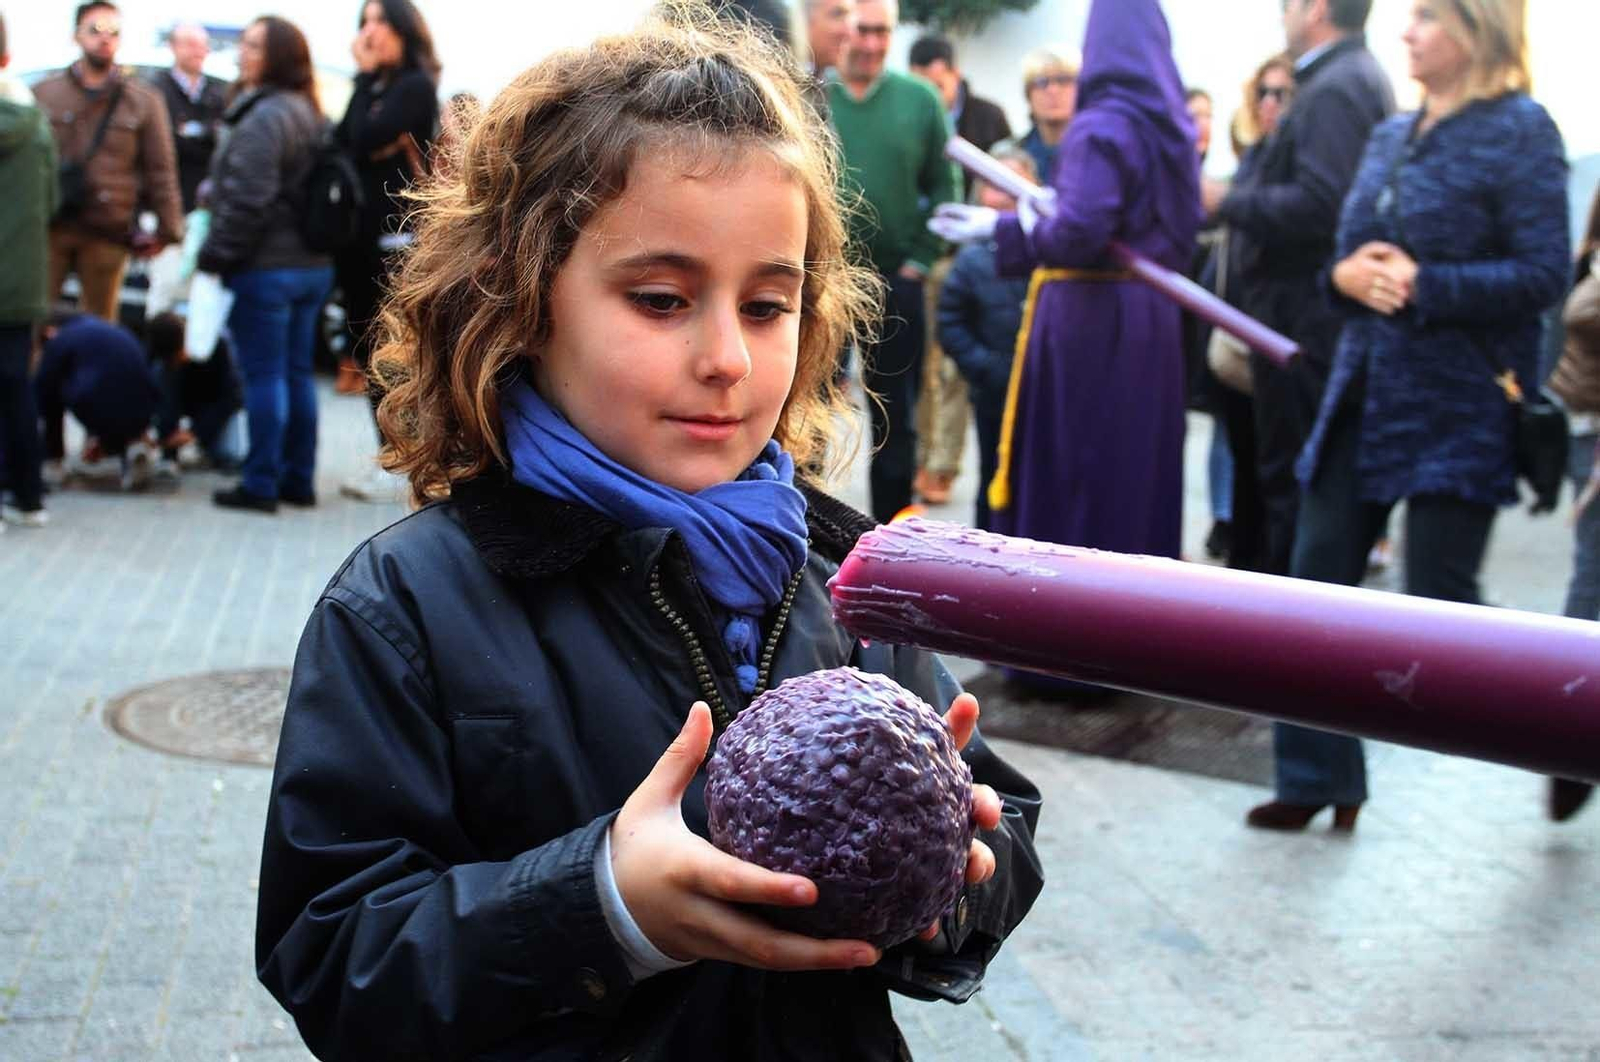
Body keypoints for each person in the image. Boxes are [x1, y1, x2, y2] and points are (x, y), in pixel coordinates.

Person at [255, 11, 1043, 1060]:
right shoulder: (407, 607)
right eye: (663, 299)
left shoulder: (842, 582)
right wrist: (604, 909)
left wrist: (945, 875)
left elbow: (1006, 820)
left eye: (768, 306)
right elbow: (335, 949)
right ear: (524, 299)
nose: (726, 357)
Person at [1247, 0, 1570, 833]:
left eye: (1429, 15)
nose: (1408, 29)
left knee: (1442, 606)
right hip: (1362, 392)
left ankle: (1573, 722)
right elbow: (1343, 264)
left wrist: (1427, 284)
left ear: (1479, 28)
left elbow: (1542, 275)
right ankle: (1319, 775)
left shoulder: (1520, 128)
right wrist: (1346, 277)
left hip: (1457, 402)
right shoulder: (1393, 133)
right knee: (1314, 589)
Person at [931, 0, 1200, 692]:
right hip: (1149, 322)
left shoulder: (1103, 124)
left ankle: (1069, 658)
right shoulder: (1168, 127)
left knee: (1079, 469)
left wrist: (1005, 233)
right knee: (1133, 475)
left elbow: (1079, 229)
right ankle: (1135, 647)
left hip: (1090, 320)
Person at [1205, 0, 1394, 587]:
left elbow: (1321, 205)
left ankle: (1282, 650)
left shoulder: (1337, 85)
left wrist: (1225, 200)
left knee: (1292, 490)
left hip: (1302, 323)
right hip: (1304, 320)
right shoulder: (1339, 77)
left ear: (1314, 9)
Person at [828, 0, 960, 523]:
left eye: (883, 31)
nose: (872, 43)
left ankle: (890, 534)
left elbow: (946, 185)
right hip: (819, 282)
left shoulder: (920, 100)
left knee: (894, 413)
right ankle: (801, 530)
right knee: (802, 409)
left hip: (895, 281)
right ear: (841, 28)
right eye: (863, 30)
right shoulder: (809, 96)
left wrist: (922, 260)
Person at [198, 16, 333, 514]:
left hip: (267, 268)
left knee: (264, 376)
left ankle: (260, 482)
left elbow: (248, 201)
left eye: (253, 45)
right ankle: (297, 479)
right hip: (311, 267)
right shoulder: (309, 112)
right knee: (297, 373)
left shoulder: (262, 117)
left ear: (276, 56)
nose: (241, 53)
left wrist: (215, 257)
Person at [335, 0, 440, 502]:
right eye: (364, 22)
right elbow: (345, 139)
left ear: (403, 30)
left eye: (379, 21)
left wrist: (362, 84)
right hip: (358, 238)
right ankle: (392, 454)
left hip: (397, 238)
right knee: (365, 348)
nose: (369, 32)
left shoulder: (415, 86)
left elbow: (368, 136)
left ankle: (406, 459)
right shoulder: (372, 86)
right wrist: (361, 82)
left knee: (392, 350)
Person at [33, 2, 184, 323]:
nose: (105, 39)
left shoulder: (142, 99)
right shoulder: (46, 92)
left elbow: (161, 170)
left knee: (99, 326)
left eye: (113, 32)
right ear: (77, 36)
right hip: (51, 224)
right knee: (35, 317)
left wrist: (169, 230)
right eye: (95, 30)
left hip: (108, 228)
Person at [1207, 53, 1295, 573]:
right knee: (1243, 466)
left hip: (1282, 337)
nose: (1268, 104)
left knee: (1276, 479)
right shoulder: (1256, 158)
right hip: (1240, 336)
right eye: (1263, 92)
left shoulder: (1298, 164)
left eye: (1281, 94)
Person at [936, 150, 1034, 530]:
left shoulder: (1047, 252)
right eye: (997, 185)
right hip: (995, 387)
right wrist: (985, 366)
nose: (1005, 195)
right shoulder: (972, 260)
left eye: (1016, 183)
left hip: (1043, 387)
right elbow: (951, 322)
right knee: (994, 476)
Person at [0, 14, 56, 528]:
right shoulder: (35, 120)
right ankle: (29, 496)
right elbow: (52, 199)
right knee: (17, 388)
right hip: (22, 279)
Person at [35, 312, 161, 489]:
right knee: (113, 393)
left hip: (99, 405)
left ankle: (54, 461)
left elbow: (42, 392)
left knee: (51, 390)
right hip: (145, 406)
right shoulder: (110, 329)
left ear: (49, 331)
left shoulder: (59, 339)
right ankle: (134, 445)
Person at [908, 35, 1011, 199]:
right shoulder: (905, 121)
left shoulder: (990, 117)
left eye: (937, 87)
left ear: (955, 75)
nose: (930, 98)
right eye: (921, 89)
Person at [144, 311, 243, 471]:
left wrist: (195, 432)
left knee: (227, 455)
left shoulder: (216, 345)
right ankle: (168, 450)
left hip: (211, 402)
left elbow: (231, 397)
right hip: (181, 398)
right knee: (163, 375)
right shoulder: (160, 357)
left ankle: (205, 446)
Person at [150, 23, 227, 217]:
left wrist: (195, 132)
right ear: (173, 46)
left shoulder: (220, 91)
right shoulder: (155, 91)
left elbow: (224, 138)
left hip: (207, 200)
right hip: (166, 199)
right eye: (191, 44)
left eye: (203, 45)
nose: (199, 51)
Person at [998, 45, 1079, 186]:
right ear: (1028, 94)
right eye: (1041, 82)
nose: (1052, 90)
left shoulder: (1099, 155)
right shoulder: (1005, 154)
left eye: (1063, 80)